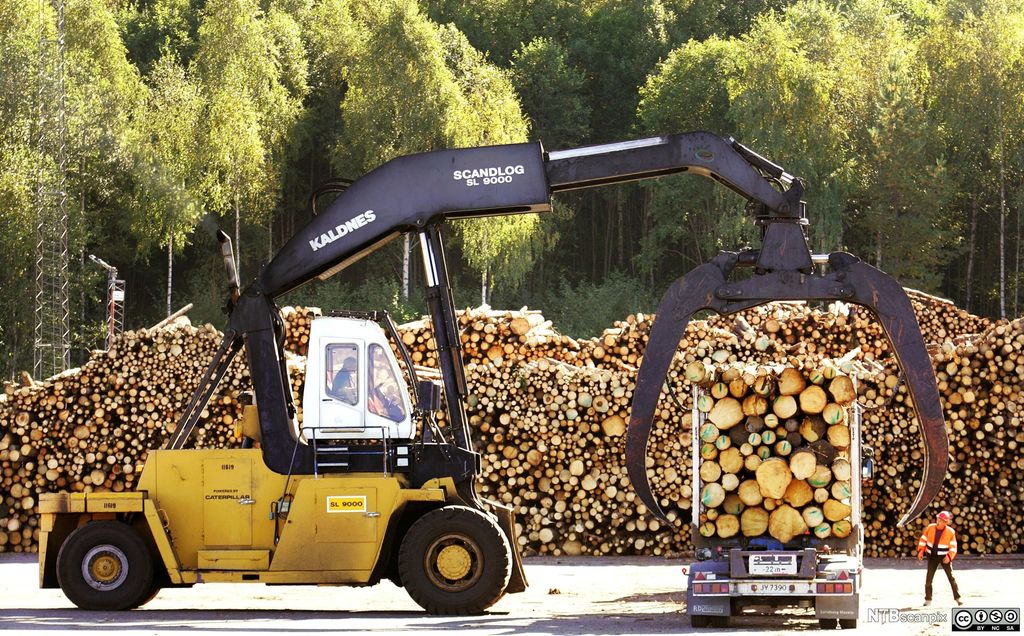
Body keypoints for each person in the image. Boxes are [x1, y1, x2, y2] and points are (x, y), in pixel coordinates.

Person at [917, 510, 962, 606]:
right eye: (938, 519)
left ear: (946, 522)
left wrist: (949, 556)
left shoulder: (950, 532)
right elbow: (923, 539)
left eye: (941, 520)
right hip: (932, 557)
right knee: (929, 579)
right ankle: (928, 599)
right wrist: (921, 550)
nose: (939, 521)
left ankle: (958, 598)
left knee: (951, 578)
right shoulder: (930, 528)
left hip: (944, 557)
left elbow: (953, 546)